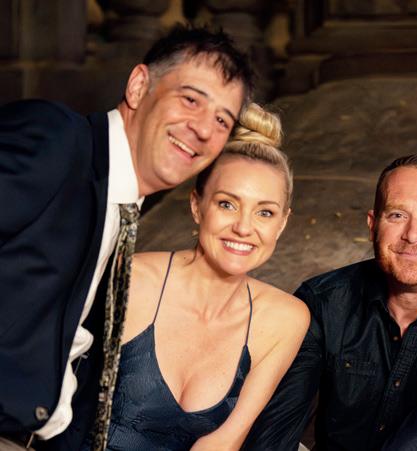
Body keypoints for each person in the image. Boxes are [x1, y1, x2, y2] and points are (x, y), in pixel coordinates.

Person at [0, 25, 252, 450]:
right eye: (191, 99)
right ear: (138, 86)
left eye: (222, 120)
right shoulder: (58, 139)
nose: (203, 129)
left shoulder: (119, 204)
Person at [244, 154, 417, 451]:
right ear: (373, 225)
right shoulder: (322, 303)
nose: (413, 235)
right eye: (397, 215)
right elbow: (276, 428)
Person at [83, 103, 310, 451]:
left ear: (281, 224)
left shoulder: (285, 319)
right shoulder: (133, 277)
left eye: (265, 212)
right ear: (196, 205)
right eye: (227, 204)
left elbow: (225, 442)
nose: (244, 227)